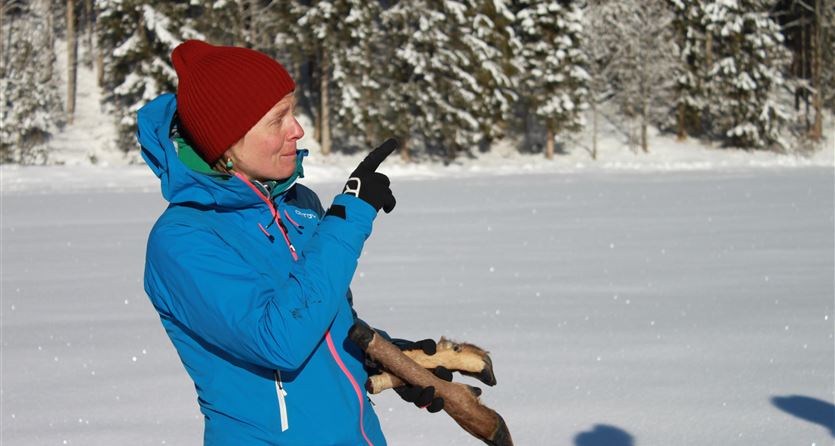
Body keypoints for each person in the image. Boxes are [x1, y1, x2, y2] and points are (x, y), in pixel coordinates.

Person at [137, 40, 436, 445]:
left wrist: (386, 359)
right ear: (225, 141)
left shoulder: (300, 205)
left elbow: (319, 315)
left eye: (292, 112)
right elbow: (278, 340)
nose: (296, 130)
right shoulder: (183, 240)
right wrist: (347, 219)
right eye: (278, 119)